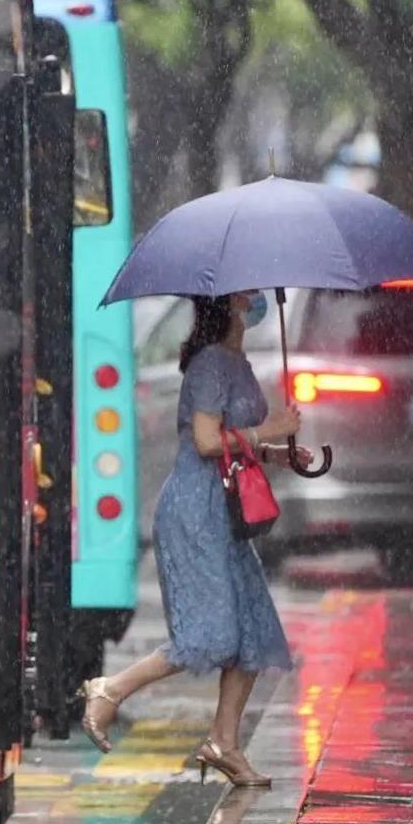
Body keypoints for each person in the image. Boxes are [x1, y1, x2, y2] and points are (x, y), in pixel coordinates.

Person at [78, 292, 311, 787]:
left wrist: (276, 453)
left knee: (253, 631)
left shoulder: (236, 360)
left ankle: (223, 742)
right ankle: (110, 689)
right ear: (227, 303)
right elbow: (206, 441)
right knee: (212, 636)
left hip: (224, 510)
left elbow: (230, 438)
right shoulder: (208, 364)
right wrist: (271, 427)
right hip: (194, 512)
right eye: (249, 294)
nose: (258, 300)